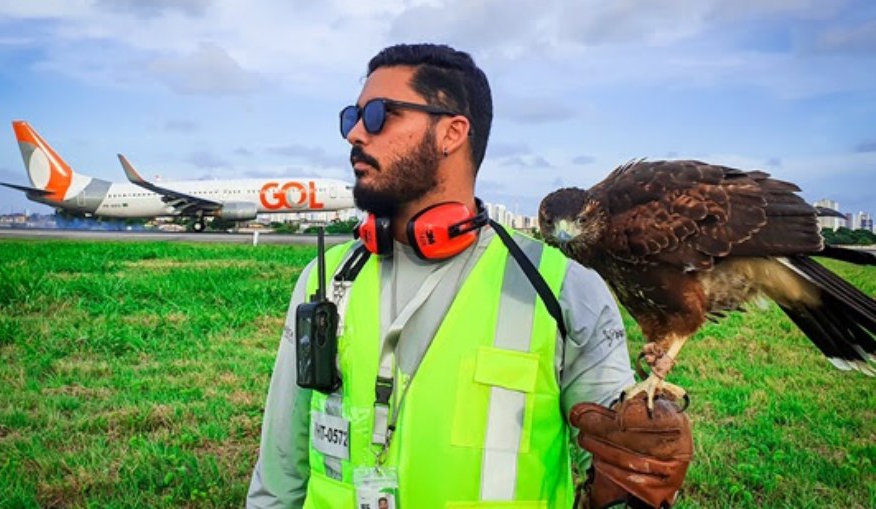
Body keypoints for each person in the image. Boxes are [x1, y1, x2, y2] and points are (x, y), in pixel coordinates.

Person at [247, 43, 691, 509]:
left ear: (452, 132)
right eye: (351, 117)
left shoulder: (563, 289)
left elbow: (622, 470)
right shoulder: (324, 278)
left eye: (379, 114)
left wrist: (633, 473)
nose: (355, 133)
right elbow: (281, 472)